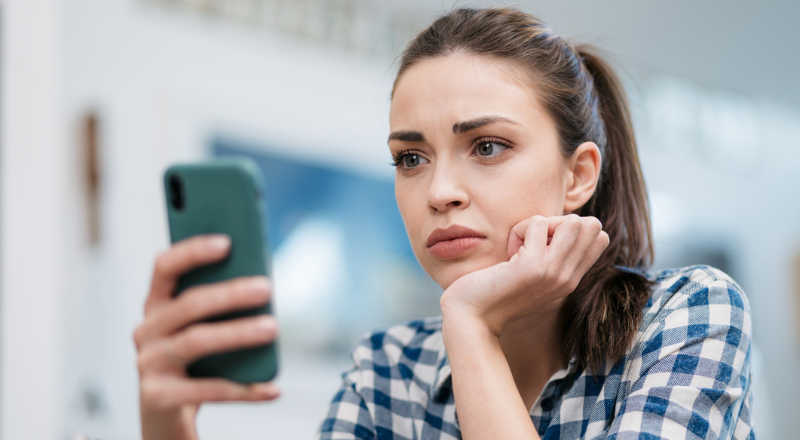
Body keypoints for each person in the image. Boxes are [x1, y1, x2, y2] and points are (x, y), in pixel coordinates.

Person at [134, 7, 754, 440]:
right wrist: (170, 425)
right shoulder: (388, 369)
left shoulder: (689, 316)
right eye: (410, 158)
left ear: (578, 176)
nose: (439, 192)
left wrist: (471, 326)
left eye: (487, 146)